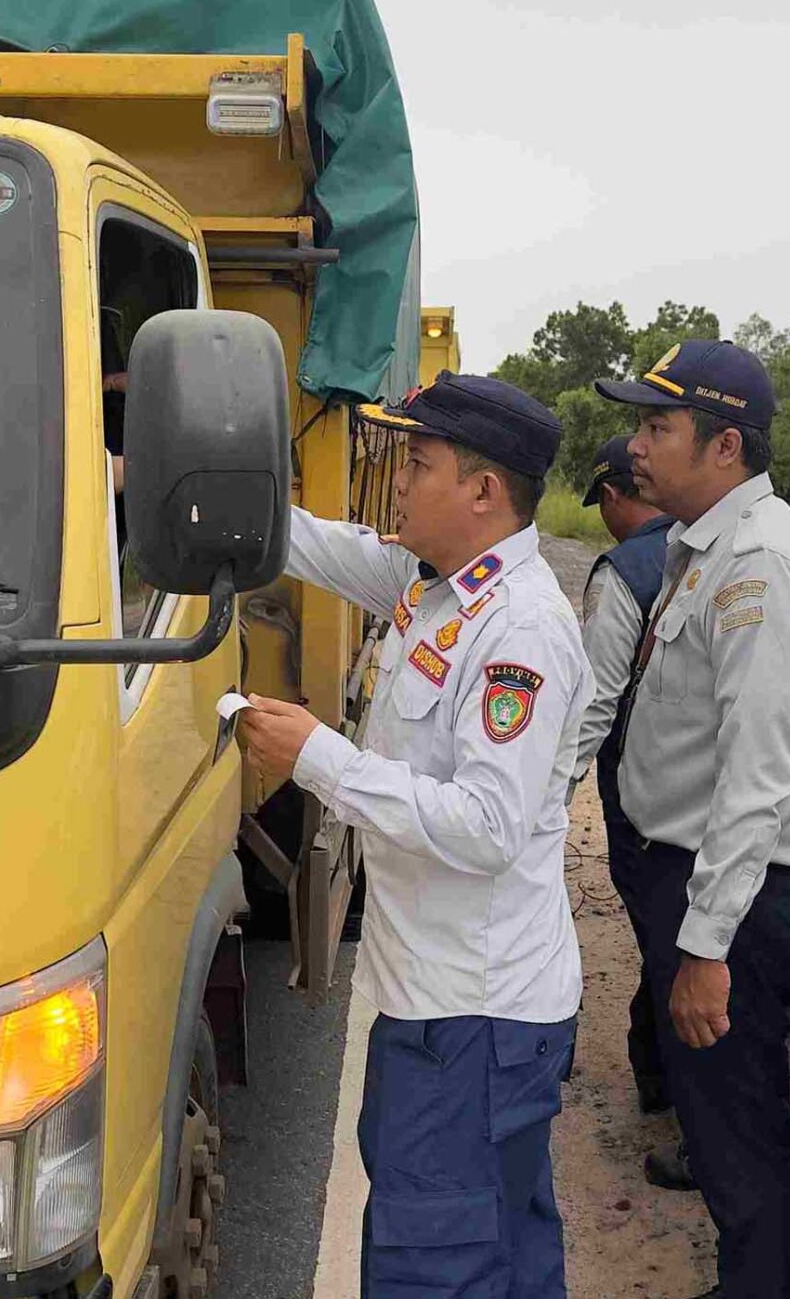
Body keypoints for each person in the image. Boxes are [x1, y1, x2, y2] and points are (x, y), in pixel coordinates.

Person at [236, 372, 591, 1299]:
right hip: (446, 1002)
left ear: (483, 491)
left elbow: (483, 825)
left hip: (471, 1017)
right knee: (502, 1251)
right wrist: (164, 485)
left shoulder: (520, 631)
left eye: (417, 462)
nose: (396, 479)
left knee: (431, 1265)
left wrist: (316, 755)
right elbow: (324, 546)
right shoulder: (439, 589)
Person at [592, 341, 790, 1299]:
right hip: (694, 879)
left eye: (658, 428)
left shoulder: (762, 566)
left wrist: (706, 949)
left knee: (740, 1124)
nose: (636, 446)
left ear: (725, 444)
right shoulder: (707, 544)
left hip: (730, 893)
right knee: (719, 1113)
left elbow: (758, 778)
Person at [567, 436, 677, 1126]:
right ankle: (657, 1063)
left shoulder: (623, 572)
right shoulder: (717, 548)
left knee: (668, 942)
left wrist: (546, 795)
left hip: (643, 802)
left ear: (612, 496)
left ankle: (667, 1078)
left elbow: (593, 706)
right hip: (719, 796)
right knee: (681, 939)